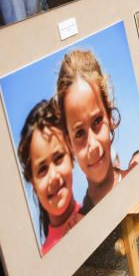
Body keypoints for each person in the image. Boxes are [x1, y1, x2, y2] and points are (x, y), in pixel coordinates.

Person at [56, 49, 139, 214]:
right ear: (69, 144)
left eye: (96, 121)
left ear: (109, 116)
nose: (93, 145)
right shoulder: (79, 227)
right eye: (79, 133)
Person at [17, 99, 83, 254]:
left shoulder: (99, 210)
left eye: (59, 158)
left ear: (71, 156)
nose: (53, 176)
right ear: (32, 183)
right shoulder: (45, 256)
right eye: (42, 169)